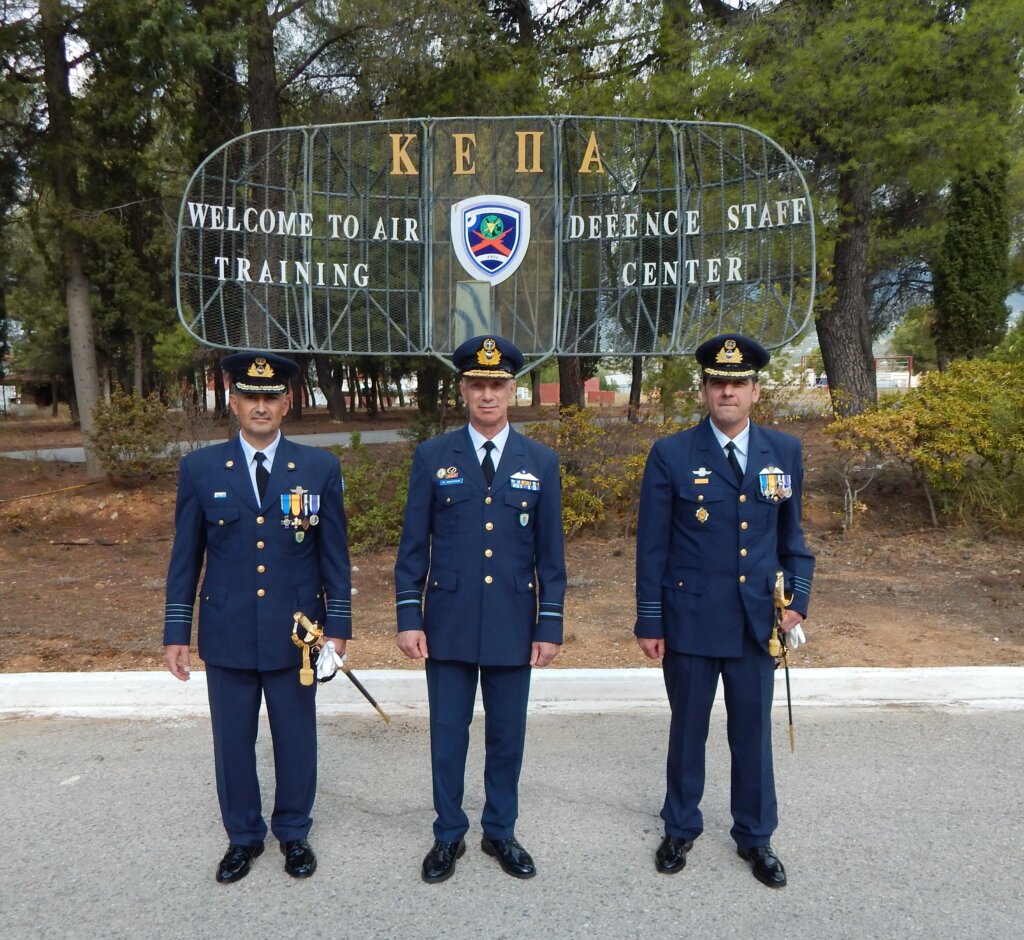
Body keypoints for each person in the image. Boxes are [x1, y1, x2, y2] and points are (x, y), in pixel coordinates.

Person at [163, 351, 352, 884]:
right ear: (235, 402)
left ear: (287, 403)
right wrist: (176, 632)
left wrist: (337, 629)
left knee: (296, 738)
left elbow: (334, 557)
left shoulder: (319, 468)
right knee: (232, 741)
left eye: (271, 397)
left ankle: (293, 832)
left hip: (298, 636)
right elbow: (185, 558)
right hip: (226, 632)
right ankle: (242, 837)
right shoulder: (200, 469)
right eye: (251, 396)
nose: (261, 406)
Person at [634, 333, 814, 888]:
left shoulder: (783, 453)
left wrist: (798, 602)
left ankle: (756, 836)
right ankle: (680, 826)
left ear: (756, 391)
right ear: (705, 390)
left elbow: (793, 539)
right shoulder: (672, 454)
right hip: (689, 620)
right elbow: (653, 546)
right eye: (718, 382)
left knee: (752, 734)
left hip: (756, 623)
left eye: (738, 383)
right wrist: (650, 619)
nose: (727, 392)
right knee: (687, 729)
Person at [394, 334, 566, 884]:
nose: (487, 395)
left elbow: (550, 554)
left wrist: (550, 623)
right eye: (477, 385)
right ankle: (448, 834)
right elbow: (413, 545)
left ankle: (501, 830)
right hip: (446, 621)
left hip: (514, 624)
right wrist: (408, 616)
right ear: (463, 389)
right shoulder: (433, 456)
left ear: (512, 390)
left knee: (506, 735)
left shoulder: (539, 461)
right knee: (448, 733)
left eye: (497, 385)